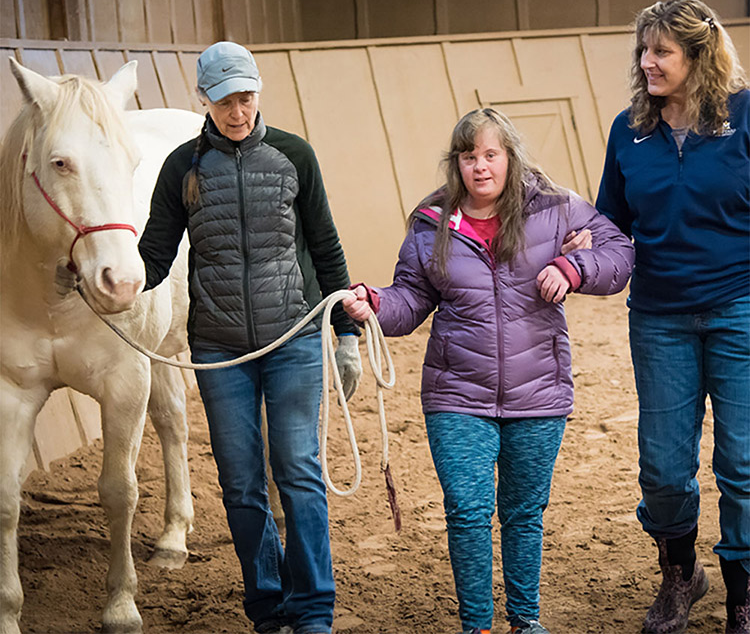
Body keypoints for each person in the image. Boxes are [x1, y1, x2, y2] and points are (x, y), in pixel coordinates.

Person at [342, 108, 635, 634]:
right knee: (468, 511)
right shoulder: (432, 223)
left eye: (491, 154)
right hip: (457, 394)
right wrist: (376, 304)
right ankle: (476, 625)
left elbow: (619, 254)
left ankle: (526, 621)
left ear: (509, 158)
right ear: (456, 163)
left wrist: (575, 267)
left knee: (523, 514)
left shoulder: (556, 208)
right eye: (469, 155)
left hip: (539, 391)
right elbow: (410, 299)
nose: (480, 166)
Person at [138, 41, 362, 634]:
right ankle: (267, 606)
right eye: (225, 101)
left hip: (292, 339)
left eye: (246, 97)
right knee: (240, 484)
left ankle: (313, 610)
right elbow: (153, 259)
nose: (238, 111)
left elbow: (325, 244)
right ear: (205, 100)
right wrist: (100, 277)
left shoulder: (294, 156)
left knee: (298, 472)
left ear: (257, 92)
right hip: (217, 350)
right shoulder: (181, 168)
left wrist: (345, 336)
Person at [595, 0, 750, 634]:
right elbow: (610, 222)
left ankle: (742, 593)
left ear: (698, 55)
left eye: (661, 51)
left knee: (742, 464)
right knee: (663, 468)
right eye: (643, 50)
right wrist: (576, 244)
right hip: (658, 318)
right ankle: (680, 576)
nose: (646, 62)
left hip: (740, 310)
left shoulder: (744, 117)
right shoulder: (627, 131)